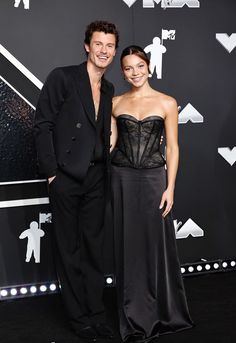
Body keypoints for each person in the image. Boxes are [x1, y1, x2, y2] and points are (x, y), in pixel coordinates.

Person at [34, 20, 119, 341]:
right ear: (87, 46)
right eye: (99, 44)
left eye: (110, 46)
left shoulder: (109, 88)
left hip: (98, 175)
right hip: (66, 176)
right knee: (69, 249)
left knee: (94, 250)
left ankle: (96, 313)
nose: (104, 51)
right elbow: (42, 124)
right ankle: (78, 317)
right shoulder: (63, 77)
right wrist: (52, 172)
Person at [111, 45, 193, 343]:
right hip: (121, 177)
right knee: (127, 245)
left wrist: (170, 187)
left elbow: (172, 147)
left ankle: (162, 311)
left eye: (139, 66)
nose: (134, 72)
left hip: (154, 178)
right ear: (123, 71)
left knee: (155, 244)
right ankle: (132, 314)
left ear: (149, 67)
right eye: (128, 68)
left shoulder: (167, 102)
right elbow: (111, 144)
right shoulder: (115, 102)